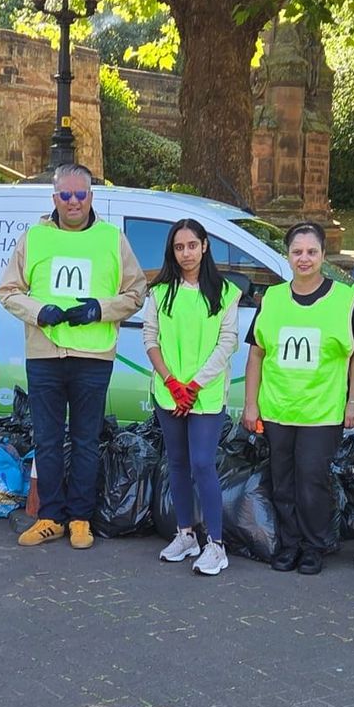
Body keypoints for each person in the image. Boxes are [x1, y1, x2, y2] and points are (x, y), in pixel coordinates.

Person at [0, 163, 147, 549]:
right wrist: (37, 311)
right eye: (65, 195)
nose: (73, 202)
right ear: (55, 199)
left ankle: (80, 517)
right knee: (47, 439)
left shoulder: (112, 239)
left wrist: (99, 309)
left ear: (91, 197)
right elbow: (8, 291)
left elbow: (136, 292)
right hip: (45, 354)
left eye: (80, 194)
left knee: (85, 439)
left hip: (93, 355)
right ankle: (51, 516)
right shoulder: (34, 238)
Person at [242, 222, 354, 576]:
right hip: (279, 407)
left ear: (323, 256)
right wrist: (251, 404)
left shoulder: (345, 300)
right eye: (297, 252)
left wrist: (353, 401)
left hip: (322, 411)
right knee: (282, 481)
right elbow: (256, 355)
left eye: (312, 252)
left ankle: (315, 546)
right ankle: (289, 543)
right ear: (288, 256)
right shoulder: (273, 300)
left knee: (312, 480)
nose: (304, 258)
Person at [146, 219, 241, 576]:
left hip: (205, 394)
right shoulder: (159, 293)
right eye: (178, 247)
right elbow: (150, 340)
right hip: (170, 393)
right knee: (178, 464)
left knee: (202, 464)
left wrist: (194, 386)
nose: (185, 253)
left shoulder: (226, 292)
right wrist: (171, 383)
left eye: (191, 245)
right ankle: (186, 534)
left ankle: (215, 544)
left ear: (205, 246)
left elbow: (227, 343)